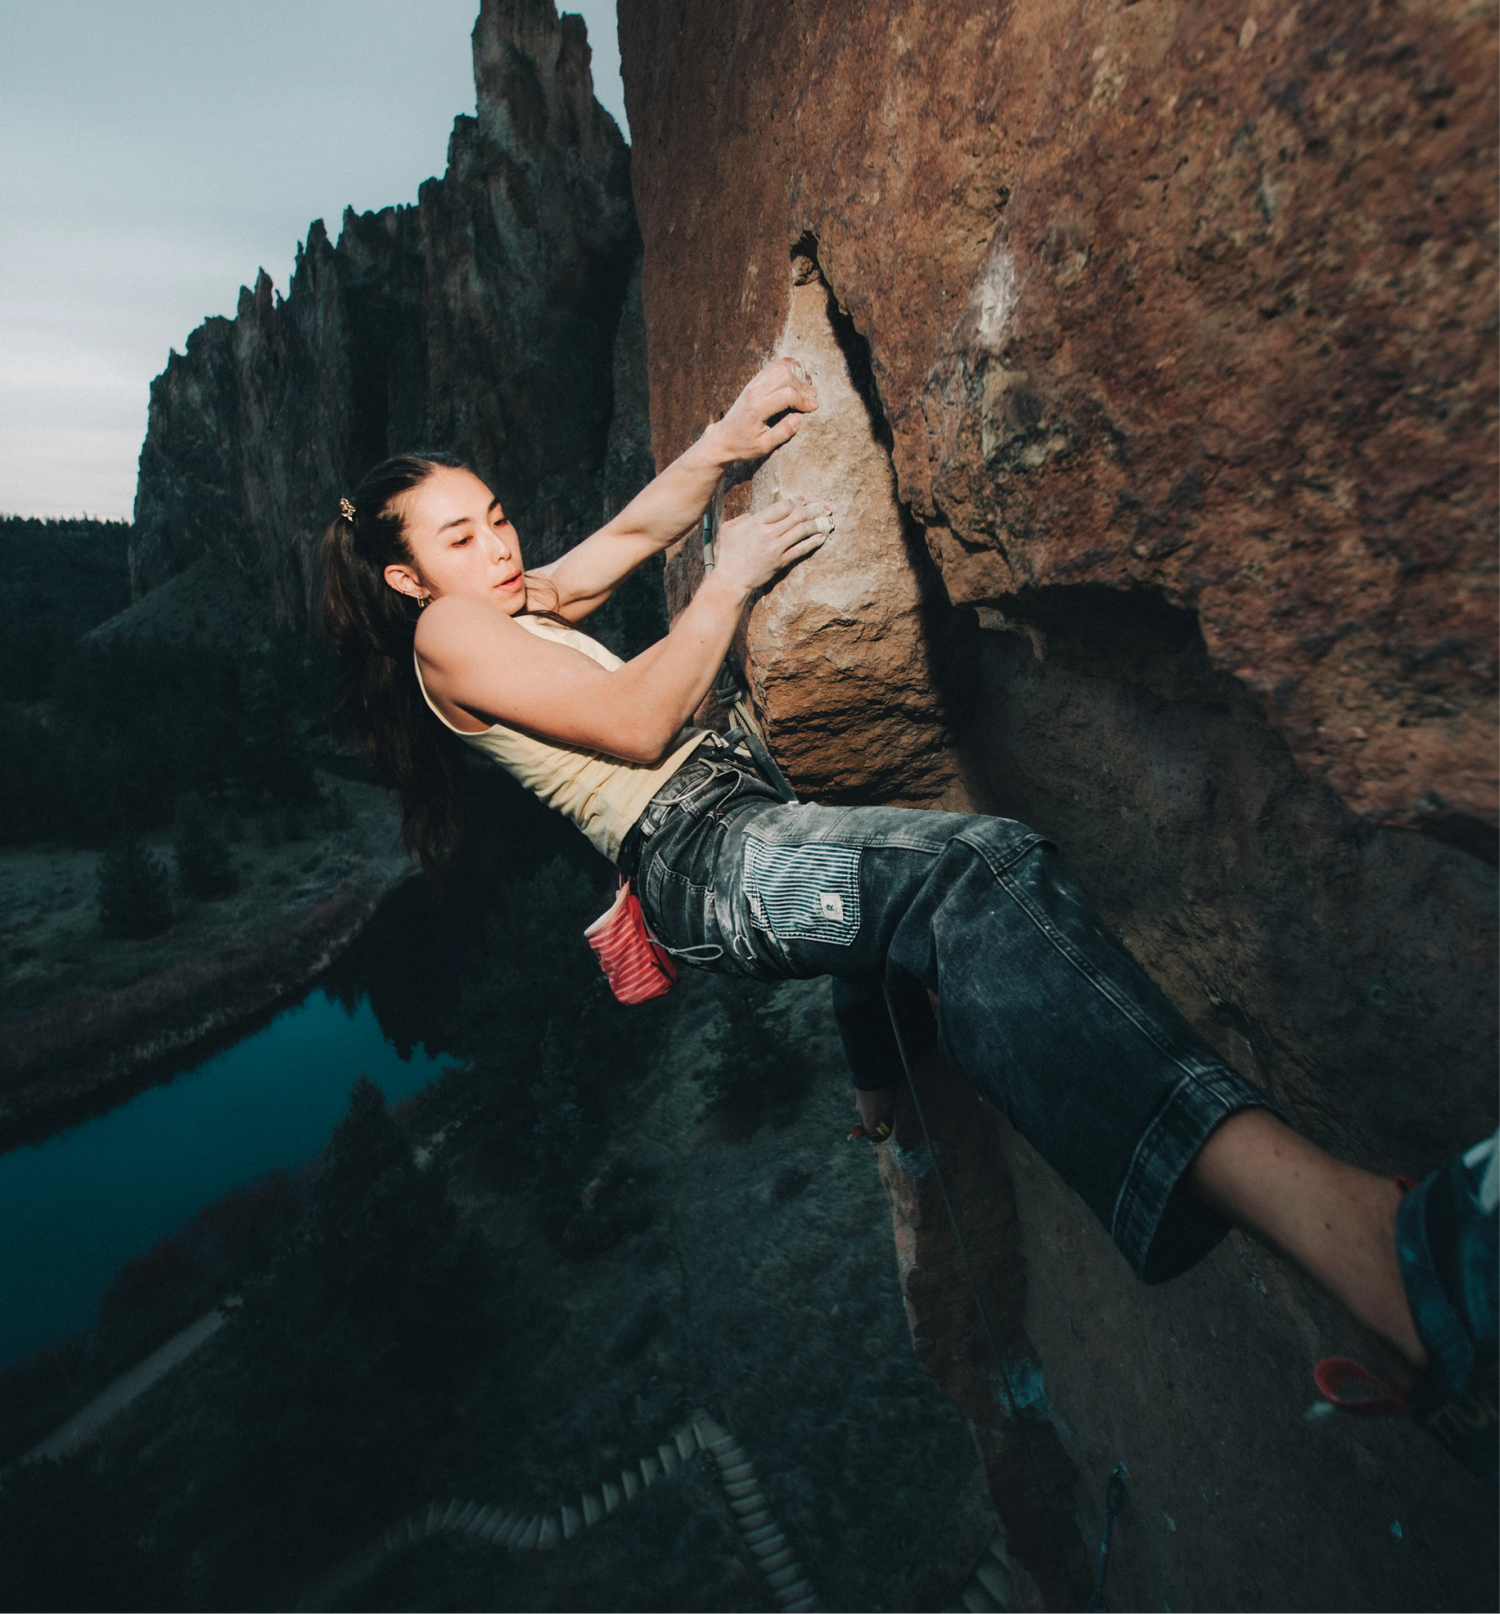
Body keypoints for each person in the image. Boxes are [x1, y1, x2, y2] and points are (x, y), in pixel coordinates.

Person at [320, 358, 1498, 1489]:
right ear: (407, 580)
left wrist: (727, 444)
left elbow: (623, 540)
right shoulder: (448, 634)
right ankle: (1388, 1263)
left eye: (498, 514)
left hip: (730, 821)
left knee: (901, 897)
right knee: (970, 875)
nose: (501, 544)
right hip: (702, 853)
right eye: (460, 536)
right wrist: (728, 578)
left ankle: (887, 1083)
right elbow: (635, 719)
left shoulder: (505, 602)